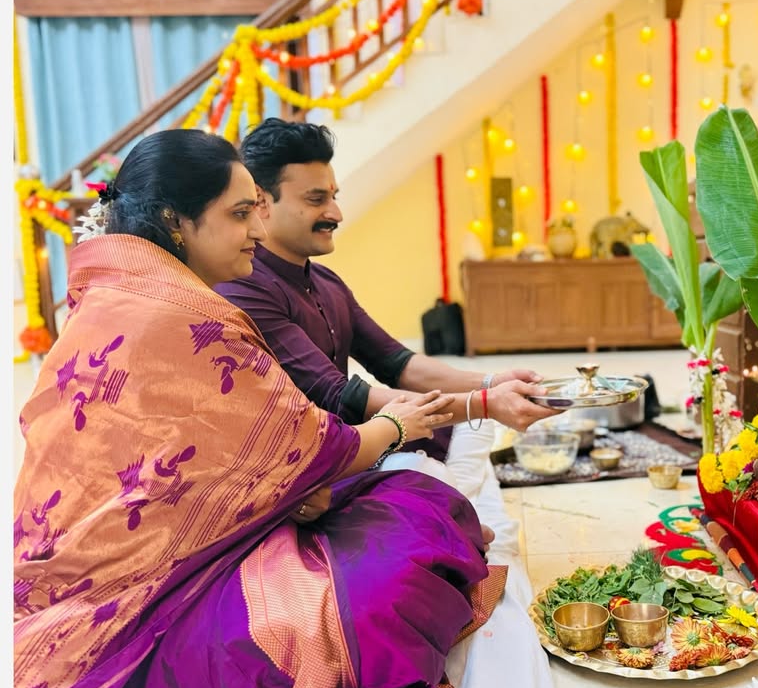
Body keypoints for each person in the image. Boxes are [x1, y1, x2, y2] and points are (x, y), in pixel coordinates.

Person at [13, 129, 508, 688]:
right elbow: (317, 431)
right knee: (390, 594)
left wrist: (483, 393)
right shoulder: (189, 312)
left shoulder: (153, 295)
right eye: (242, 212)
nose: (258, 226)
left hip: (210, 529)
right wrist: (397, 430)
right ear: (175, 221)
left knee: (418, 501)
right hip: (132, 594)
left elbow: (354, 387)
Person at [216, 117, 562, 467]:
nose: (335, 213)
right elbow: (337, 395)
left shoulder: (326, 281)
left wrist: (491, 382)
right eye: (316, 198)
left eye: (333, 197)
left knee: (468, 431)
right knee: (435, 457)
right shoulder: (245, 288)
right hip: (309, 469)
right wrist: (484, 403)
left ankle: (474, 519)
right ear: (260, 201)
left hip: (358, 442)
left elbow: (397, 362)